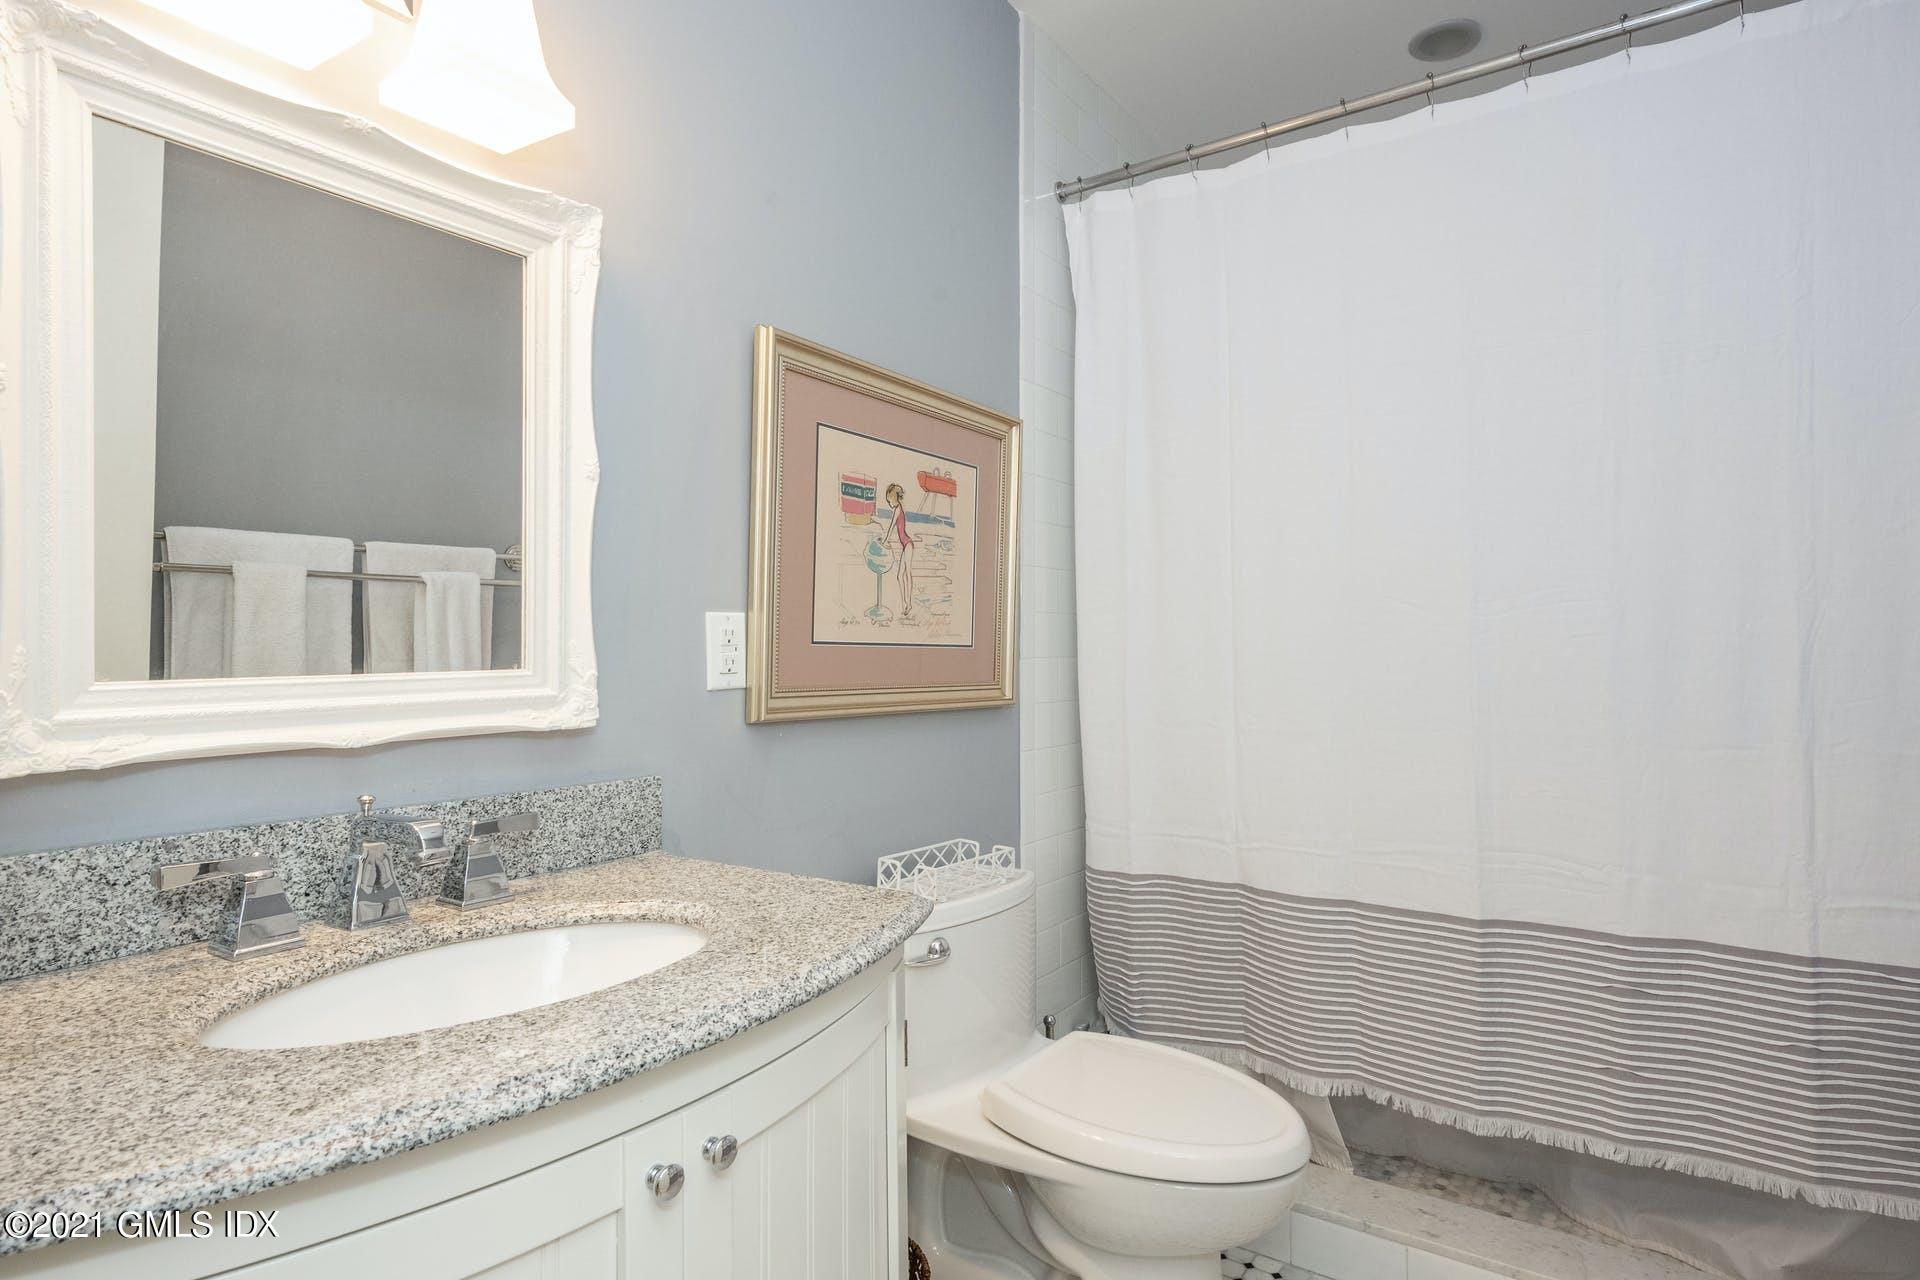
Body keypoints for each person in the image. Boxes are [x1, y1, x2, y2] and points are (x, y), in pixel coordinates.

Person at [884, 482, 915, 620]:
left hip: (908, 544)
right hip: (905, 545)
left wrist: (885, 541)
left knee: (907, 574)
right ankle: (905, 603)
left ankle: (909, 603)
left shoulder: (897, 509)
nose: (889, 503)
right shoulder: (898, 508)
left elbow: (891, 527)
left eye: (889, 500)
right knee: (899, 576)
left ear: (894, 498)